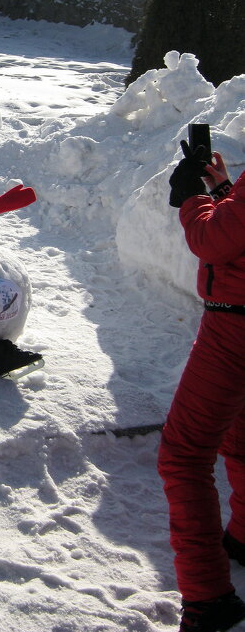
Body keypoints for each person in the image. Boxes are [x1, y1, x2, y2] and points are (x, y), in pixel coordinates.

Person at [158, 140, 245, 632]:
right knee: (239, 435)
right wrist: (226, 189)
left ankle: (209, 598)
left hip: (235, 328)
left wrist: (193, 199)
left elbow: (213, 242)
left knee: (184, 456)